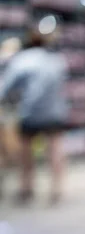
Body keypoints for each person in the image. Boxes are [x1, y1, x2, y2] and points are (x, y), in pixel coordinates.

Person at [0, 30, 69, 204]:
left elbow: (6, 86)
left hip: (30, 111)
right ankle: (56, 190)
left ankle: (26, 188)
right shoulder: (57, 60)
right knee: (55, 150)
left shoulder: (22, 60)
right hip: (54, 111)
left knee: (26, 152)